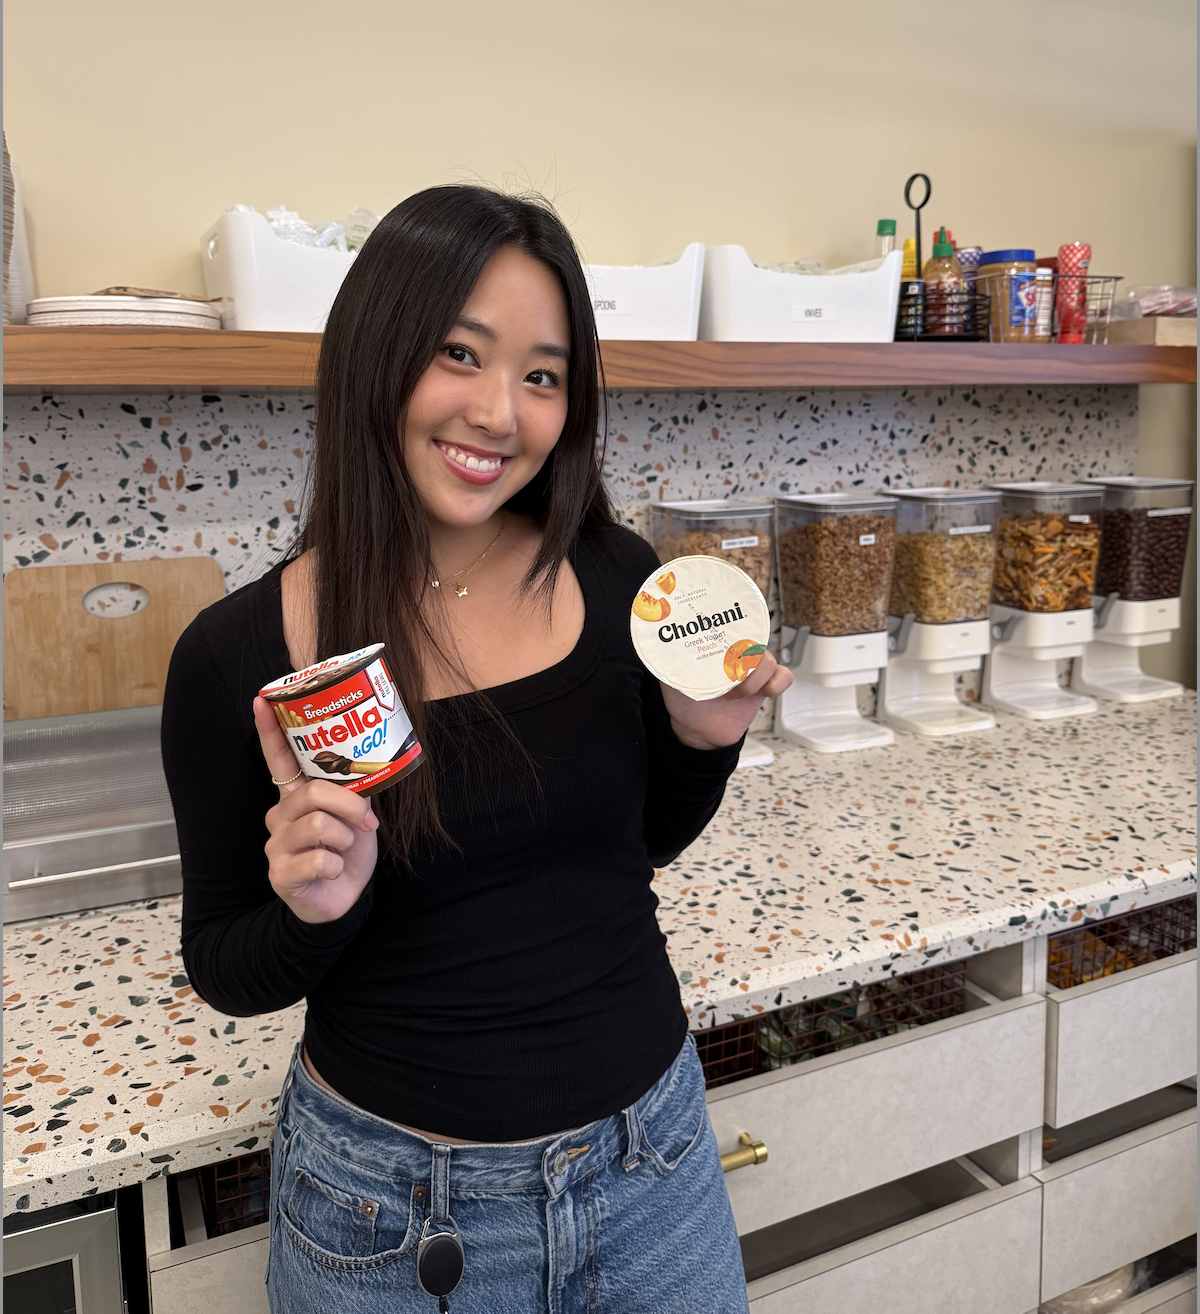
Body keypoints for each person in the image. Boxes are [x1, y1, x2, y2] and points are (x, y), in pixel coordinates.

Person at [161, 184, 790, 1313]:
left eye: (543, 375)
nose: (501, 412)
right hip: (390, 1222)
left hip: (652, 1171)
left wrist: (703, 742)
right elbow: (223, 965)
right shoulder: (238, 653)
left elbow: (633, 848)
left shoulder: (613, 576)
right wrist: (316, 906)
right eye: (462, 352)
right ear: (377, 351)